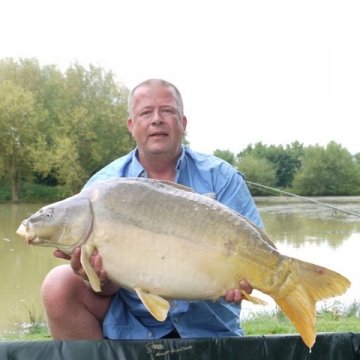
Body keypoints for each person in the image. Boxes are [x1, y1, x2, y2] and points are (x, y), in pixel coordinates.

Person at [41, 79, 264, 340]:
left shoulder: (222, 177)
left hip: (209, 323)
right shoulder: (100, 190)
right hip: (134, 322)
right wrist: (95, 277)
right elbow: (107, 289)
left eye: (167, 111)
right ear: (131, 126)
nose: (157, 119)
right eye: (145, 112)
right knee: (59, 283)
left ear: (183, 123)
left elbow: (257, 250)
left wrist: (247, 278)